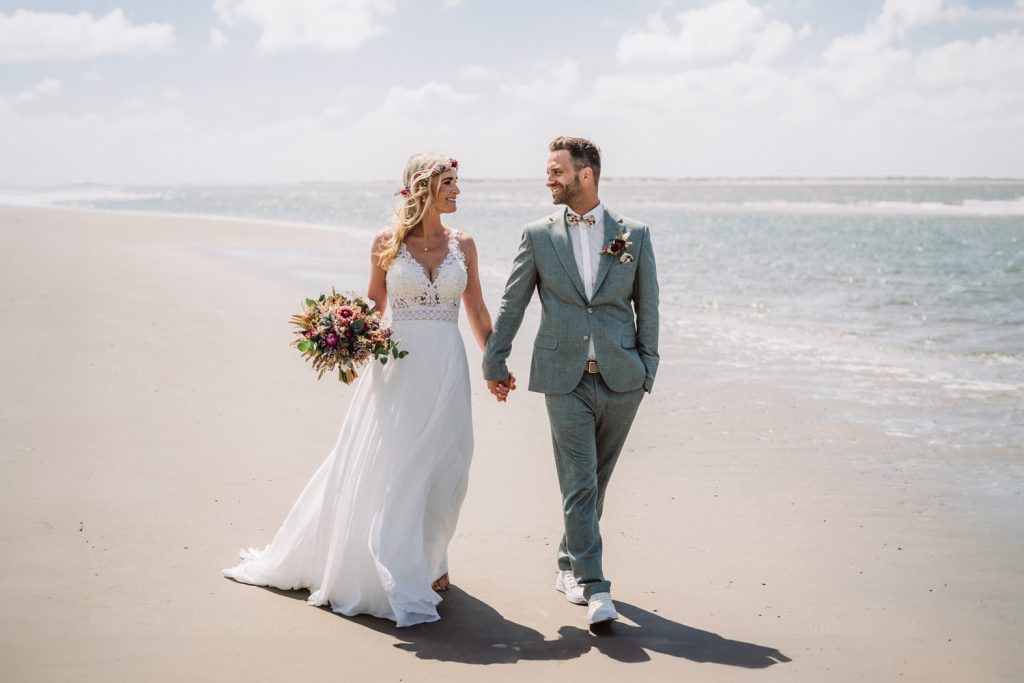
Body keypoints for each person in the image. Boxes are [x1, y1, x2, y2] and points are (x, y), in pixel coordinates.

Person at [224, 153, 499, 627]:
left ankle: (432, 558)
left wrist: (495, 362)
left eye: (457, 182)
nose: (457, 191)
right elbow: (376, 304)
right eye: (449, 182)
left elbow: (475, 308)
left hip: (448, 366)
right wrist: (341, 332)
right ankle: (397, 565)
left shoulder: (465, 244)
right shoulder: (386, 243)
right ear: (421, 188)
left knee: (446, 464)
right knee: (396, 461)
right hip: (398, 366)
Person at [482, 136, 659, 626]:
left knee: (595, 483)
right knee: (579, 481)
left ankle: (568, 562)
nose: (549, 179)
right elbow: (512, 302)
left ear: (586, 175)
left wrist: (648, 368)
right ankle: (596, 586)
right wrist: (495, 360)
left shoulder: (635, 235)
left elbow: (649, 306)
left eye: (557, 171)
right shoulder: (537, 235)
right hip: (563, 377)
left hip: (623, 377)